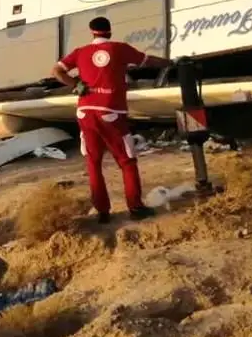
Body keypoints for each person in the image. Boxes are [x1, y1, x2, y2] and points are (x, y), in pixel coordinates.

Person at [51, 17, 169, 223]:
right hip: (111, 112)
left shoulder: (80, 52)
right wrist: (171, 63)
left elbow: (56, 71)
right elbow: (148, 61)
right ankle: (136, 207)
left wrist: (75, 84)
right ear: (110, 31)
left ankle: (103, 212)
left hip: (85, 112)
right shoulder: (119, 49)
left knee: (93, 162)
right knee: (127, 161)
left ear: (91, 32)